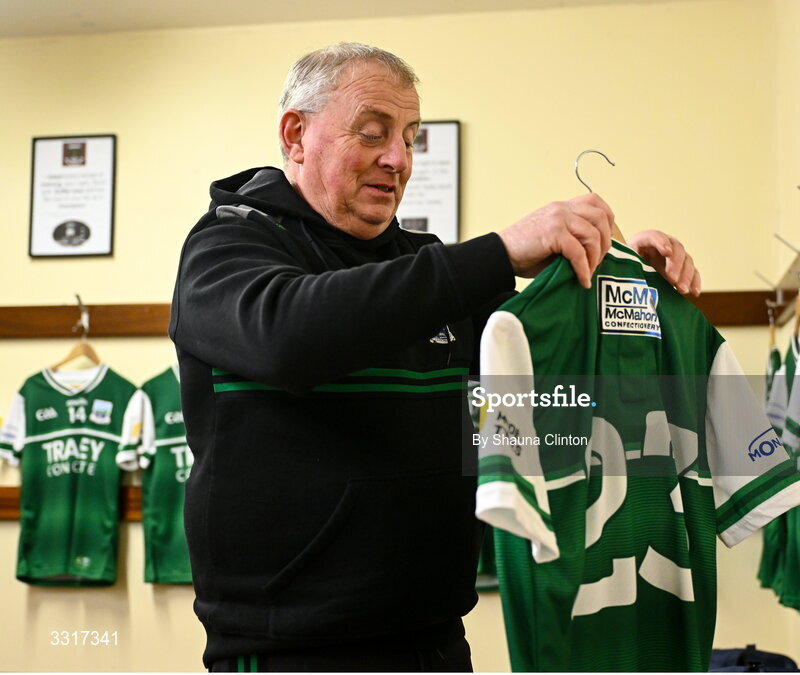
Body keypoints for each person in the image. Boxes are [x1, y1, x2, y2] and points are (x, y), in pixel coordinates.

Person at [169, 42, 700, 672]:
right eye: (372, 133)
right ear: (296, 134)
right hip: (287, 651)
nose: (397, 159)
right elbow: (287, 337)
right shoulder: (227, 245)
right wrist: (498, 252)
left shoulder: (431, 268)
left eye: (410, 138)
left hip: (437, 642)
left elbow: (550, 386)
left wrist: (622, 284)